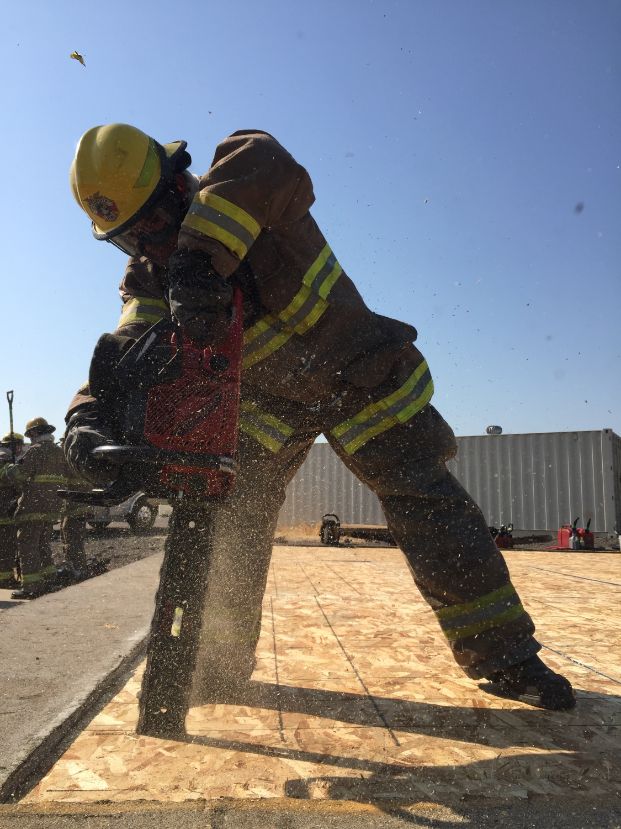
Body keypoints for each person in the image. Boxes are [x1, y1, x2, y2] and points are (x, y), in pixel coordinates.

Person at [65, 123, 574, 709]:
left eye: (152, 224)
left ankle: (508, 660)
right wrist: (89, 415)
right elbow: (125, 353)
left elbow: (263, 153)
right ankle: (222, 665)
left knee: (426, 502)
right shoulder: (149, 278)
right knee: (233, 519)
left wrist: (201, 260)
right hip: (266, 409)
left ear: (177, 187)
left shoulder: (240, 191)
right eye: (128, 239)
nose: (147, 246)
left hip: (358, 376)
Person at [0, 418, 66, 599]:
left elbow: (21, 475)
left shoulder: (36, 452)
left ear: (35, 433)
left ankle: (32, 586)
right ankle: (49, 578)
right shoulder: (59, 452)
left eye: (30, 435)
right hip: (51, 507)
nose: (30, 439)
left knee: (27, 545)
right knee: (42, 544)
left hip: (32, 506)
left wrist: (9, 469)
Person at [0, 432, 25, 588]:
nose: (21, 448)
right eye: (19, 445)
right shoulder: (4, 457)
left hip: (4, 508)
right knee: (6, 547)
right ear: (14, 445)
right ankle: (5, 579)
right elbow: (10, 476)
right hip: (3, 511)